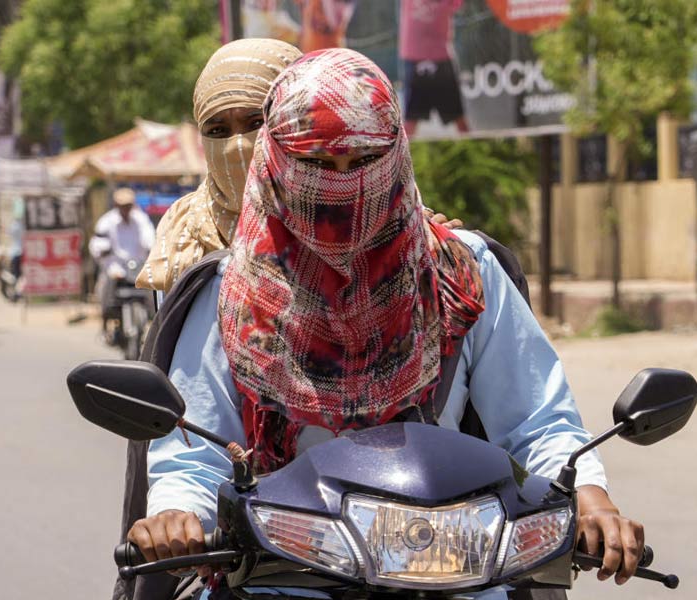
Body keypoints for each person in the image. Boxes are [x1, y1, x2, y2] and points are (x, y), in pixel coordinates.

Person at [129, 49, 644, 599]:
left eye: (365, 160)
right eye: (320, 165)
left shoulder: (460, 274)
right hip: (283, 579)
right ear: (276, 162)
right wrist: (176, 514)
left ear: (395, 152)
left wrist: (591, 495)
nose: (345, 186)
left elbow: (537, 421)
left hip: (457, 575)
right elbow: (195, 454)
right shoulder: (229, 291)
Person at [136, 38, 304, 293]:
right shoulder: (182, 231)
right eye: (217, 130)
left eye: (256, 123)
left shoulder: (340, 216)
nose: (236, 147)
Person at [90, 188, 155, 336]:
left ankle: (155, 321)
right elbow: (97, 244)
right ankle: (105, 321)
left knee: (153, 292)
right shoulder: (106, 222)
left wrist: (151, 249)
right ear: (116, 205)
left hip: (138, 267)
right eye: (123, 206)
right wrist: (103, 250)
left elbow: (149, 240)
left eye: (128, 205)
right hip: (115, 268)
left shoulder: (141, 219)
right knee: (105, 290)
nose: (126, 209)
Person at [399, 0, 469, 138]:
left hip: (441, 59)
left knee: (460, 120)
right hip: (415, 59)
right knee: (410, 122)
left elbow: (458, 6)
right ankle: (400, 159)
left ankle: (474, 156)